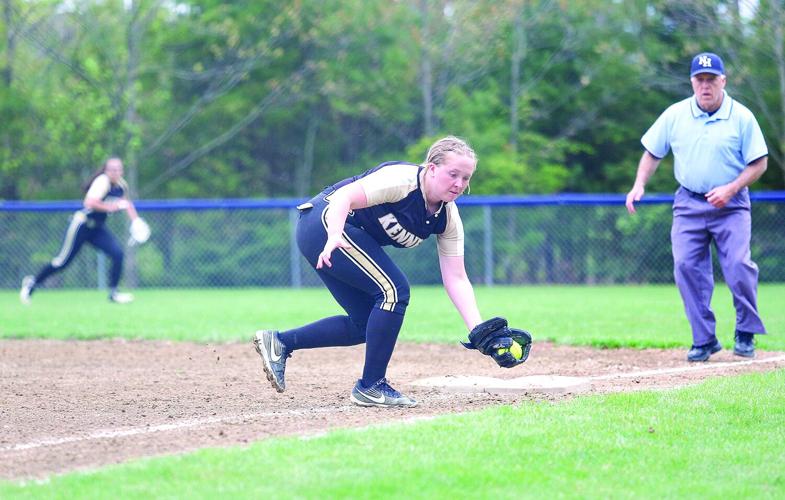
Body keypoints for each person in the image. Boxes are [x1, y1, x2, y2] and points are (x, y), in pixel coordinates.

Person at [253, 136, 485, 407]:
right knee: (394, 291)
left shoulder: (447, 217)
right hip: (326, 224)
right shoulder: (403, 180)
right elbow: (343, 197)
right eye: (453, 174)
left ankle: (280, 342)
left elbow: (456, 278)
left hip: (331, 234)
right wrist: (335, 236)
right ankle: (371, 386)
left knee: (365, 323)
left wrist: (478, 330)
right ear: (432, 169)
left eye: (466, 178)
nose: (459, 183)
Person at [626, 52, 768, 362]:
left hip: (731, 205)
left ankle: (746, 331)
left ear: (723, 81)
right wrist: (639, 184)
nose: (705, 85)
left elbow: (759, 163)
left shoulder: (741, 117)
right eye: (700, 79)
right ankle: (704, 339)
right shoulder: (675, 115)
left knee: (738, 265)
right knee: (686, 267)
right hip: (689, 202)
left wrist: (730, 189)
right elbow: (652, 152)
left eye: (711, 79)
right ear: (692, 82)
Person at [20, 157, 140, 304]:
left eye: (118, 169)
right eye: (112, 169)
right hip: (81, 225)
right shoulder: (102, 181)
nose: (115, 172)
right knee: (62, 262)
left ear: (122, 171)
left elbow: (126, 204)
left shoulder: (121, 185)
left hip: (97, 228)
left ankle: (114, 293)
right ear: (106, 170)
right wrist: (110, 207)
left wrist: (136, 221)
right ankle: (32, 283)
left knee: (118, 254)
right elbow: (89, 202)